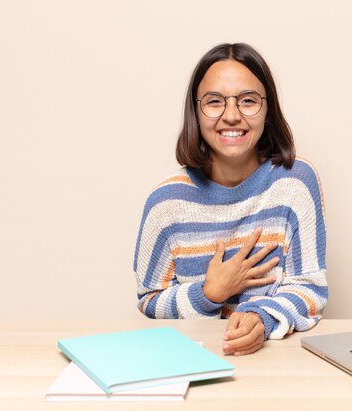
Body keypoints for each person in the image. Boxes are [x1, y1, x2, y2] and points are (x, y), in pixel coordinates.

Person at [133, 43, 328, 356]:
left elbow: (310, 288)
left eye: (248, 101)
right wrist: (209, 293)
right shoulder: (165, 203)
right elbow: (148, 300)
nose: (232, 116)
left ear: (268, 110)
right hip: (194, 361)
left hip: (276, 363)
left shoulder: (295, 182)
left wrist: (261, 318)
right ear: (196, 112)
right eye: (214, 102)